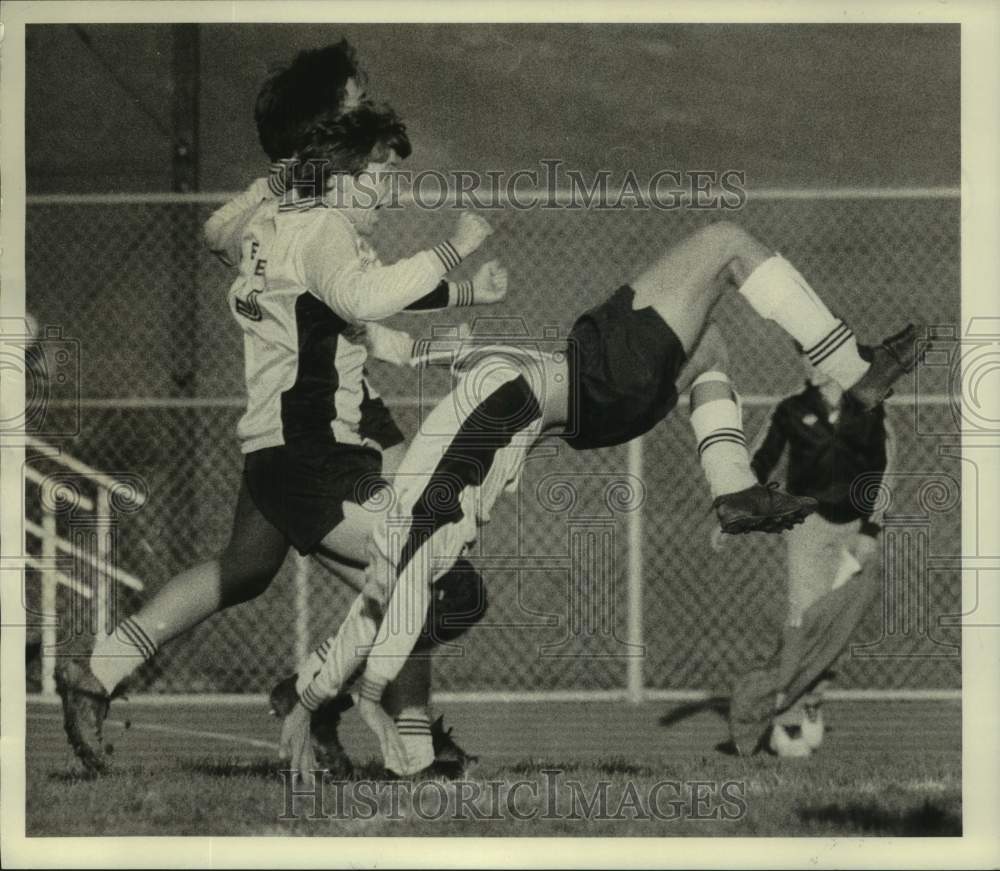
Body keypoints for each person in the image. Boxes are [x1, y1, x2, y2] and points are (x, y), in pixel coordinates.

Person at [275, 213, 919, 780]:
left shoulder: (415, 524)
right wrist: (359, 694)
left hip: (593, 396)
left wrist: (316, 697)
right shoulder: (423, 525)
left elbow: (374, 611)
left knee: (709, 345)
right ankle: (855, 374)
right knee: (726, 243)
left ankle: (734, 487)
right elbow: (392, 597)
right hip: (593, 378)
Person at [54, 102, 504, 776]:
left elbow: (358, 324)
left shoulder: (279, 228)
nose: (389, 190)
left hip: (274, 451)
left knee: (243, 568)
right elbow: (362, 301)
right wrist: (454, 250)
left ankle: (97, 671)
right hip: (314, 459)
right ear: (346, 177)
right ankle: (315, 700)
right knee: (441, 581)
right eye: (381, 174)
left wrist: (452, 323)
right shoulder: (324, 230)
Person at [725, 341, 895, 758]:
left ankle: (814, 700)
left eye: (820, 354)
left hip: (855, 529)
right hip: (807, 529)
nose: (811, 363)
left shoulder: (869, 407)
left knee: (834, 625)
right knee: (802, 619)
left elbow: (885, 468)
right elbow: (761, 460)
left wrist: (870, 531)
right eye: (805, 354)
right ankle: (787, 714)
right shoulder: (789, 408)